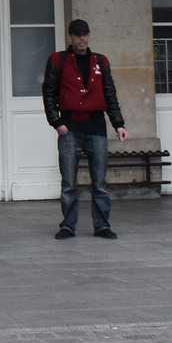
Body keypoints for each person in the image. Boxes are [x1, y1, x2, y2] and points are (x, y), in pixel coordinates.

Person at [42, 19, 128, 240]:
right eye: (78, 35)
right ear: (70, 37)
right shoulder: (58, 60)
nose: (82, 39)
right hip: (69, 127)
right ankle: (68, 226)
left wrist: (118, 124)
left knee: (99, 181)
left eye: (85, 34)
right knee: (69, 181)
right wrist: (56, 121)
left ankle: (102, 225)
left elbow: (110, 94)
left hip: (96, 125)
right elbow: (49, 93)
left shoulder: (101, 61)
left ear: (89, 36)